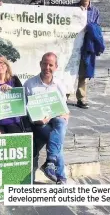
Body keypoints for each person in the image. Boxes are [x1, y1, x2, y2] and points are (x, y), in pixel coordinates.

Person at [24, 52, 69, 184]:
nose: (47, 67)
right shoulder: (30, 84)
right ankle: (59, 175)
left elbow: (65, 110)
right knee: (55, 137)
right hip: (39, 123)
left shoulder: (59, 85)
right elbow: (25, 110)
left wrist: (65, 116)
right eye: (45, 64)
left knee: (61, 123)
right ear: (40, 64)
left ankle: (50, 162)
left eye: (51, 65)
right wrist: (36, 120)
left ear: (56, 67)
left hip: (55, 119)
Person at [75, 0, 101, 109]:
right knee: (68, 71)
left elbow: (96, 28)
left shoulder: (95, 11)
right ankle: (64, 95)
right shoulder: (72, 8)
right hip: (73, 44)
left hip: (87, 46)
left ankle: (81, 98)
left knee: (84, 73)